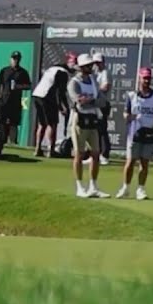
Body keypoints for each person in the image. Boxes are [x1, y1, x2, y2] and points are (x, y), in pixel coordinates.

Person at [117, 67, 153, 200]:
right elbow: (125, 113)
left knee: (144, 162)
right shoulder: (131, 96)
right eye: (144, 78)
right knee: (130, 161)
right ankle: (126, 187)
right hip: (134, 133)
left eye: (148, 78)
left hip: (149, 133)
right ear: (139, 79)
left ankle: (141, 189)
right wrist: (130, 117)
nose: (147, 80)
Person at [68, 54, 107, 197]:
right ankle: (79, 187)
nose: (91, 67)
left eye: (91, 65)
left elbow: (102, 101)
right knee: (79, 154)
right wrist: (91, 100)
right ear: (82, 67)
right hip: (79, 119)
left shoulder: (93, 81)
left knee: (96, 154)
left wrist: (89, 99)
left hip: (93, 119)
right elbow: (79, 100)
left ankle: (93, 187)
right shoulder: (74, 82)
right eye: (88, 65)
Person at [30, 59, 71, 157]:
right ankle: (51, 150)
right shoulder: (63, 73)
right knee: (52, 124)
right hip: (47, 97)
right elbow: (59, 91)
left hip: (37, 95)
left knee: (42, 124)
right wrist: (62, 107)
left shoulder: (51, 69)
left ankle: (37, 149)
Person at [0, 50, 32, 145]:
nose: (15, 61)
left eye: (17, 59)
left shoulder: (23, 72)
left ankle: (13, 142)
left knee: (13, 123)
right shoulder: (4, 70)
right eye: (14, 59)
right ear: (10, 59)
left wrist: (18, 86)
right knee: (2, 122)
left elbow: (28, 86)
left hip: (15, 102)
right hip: (4, 101)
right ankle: (1, 141)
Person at [91, 52, 112, 165]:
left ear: (103, 62)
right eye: (95, 63)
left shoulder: (105, 73)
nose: (97, 65)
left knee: (102, 129)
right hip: (96, 105)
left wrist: (94, 90)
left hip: (103, 104)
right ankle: (95, 154)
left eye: (99, 63)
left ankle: (104, 155)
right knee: (95, 130)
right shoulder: (95, 74)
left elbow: (106, 87)